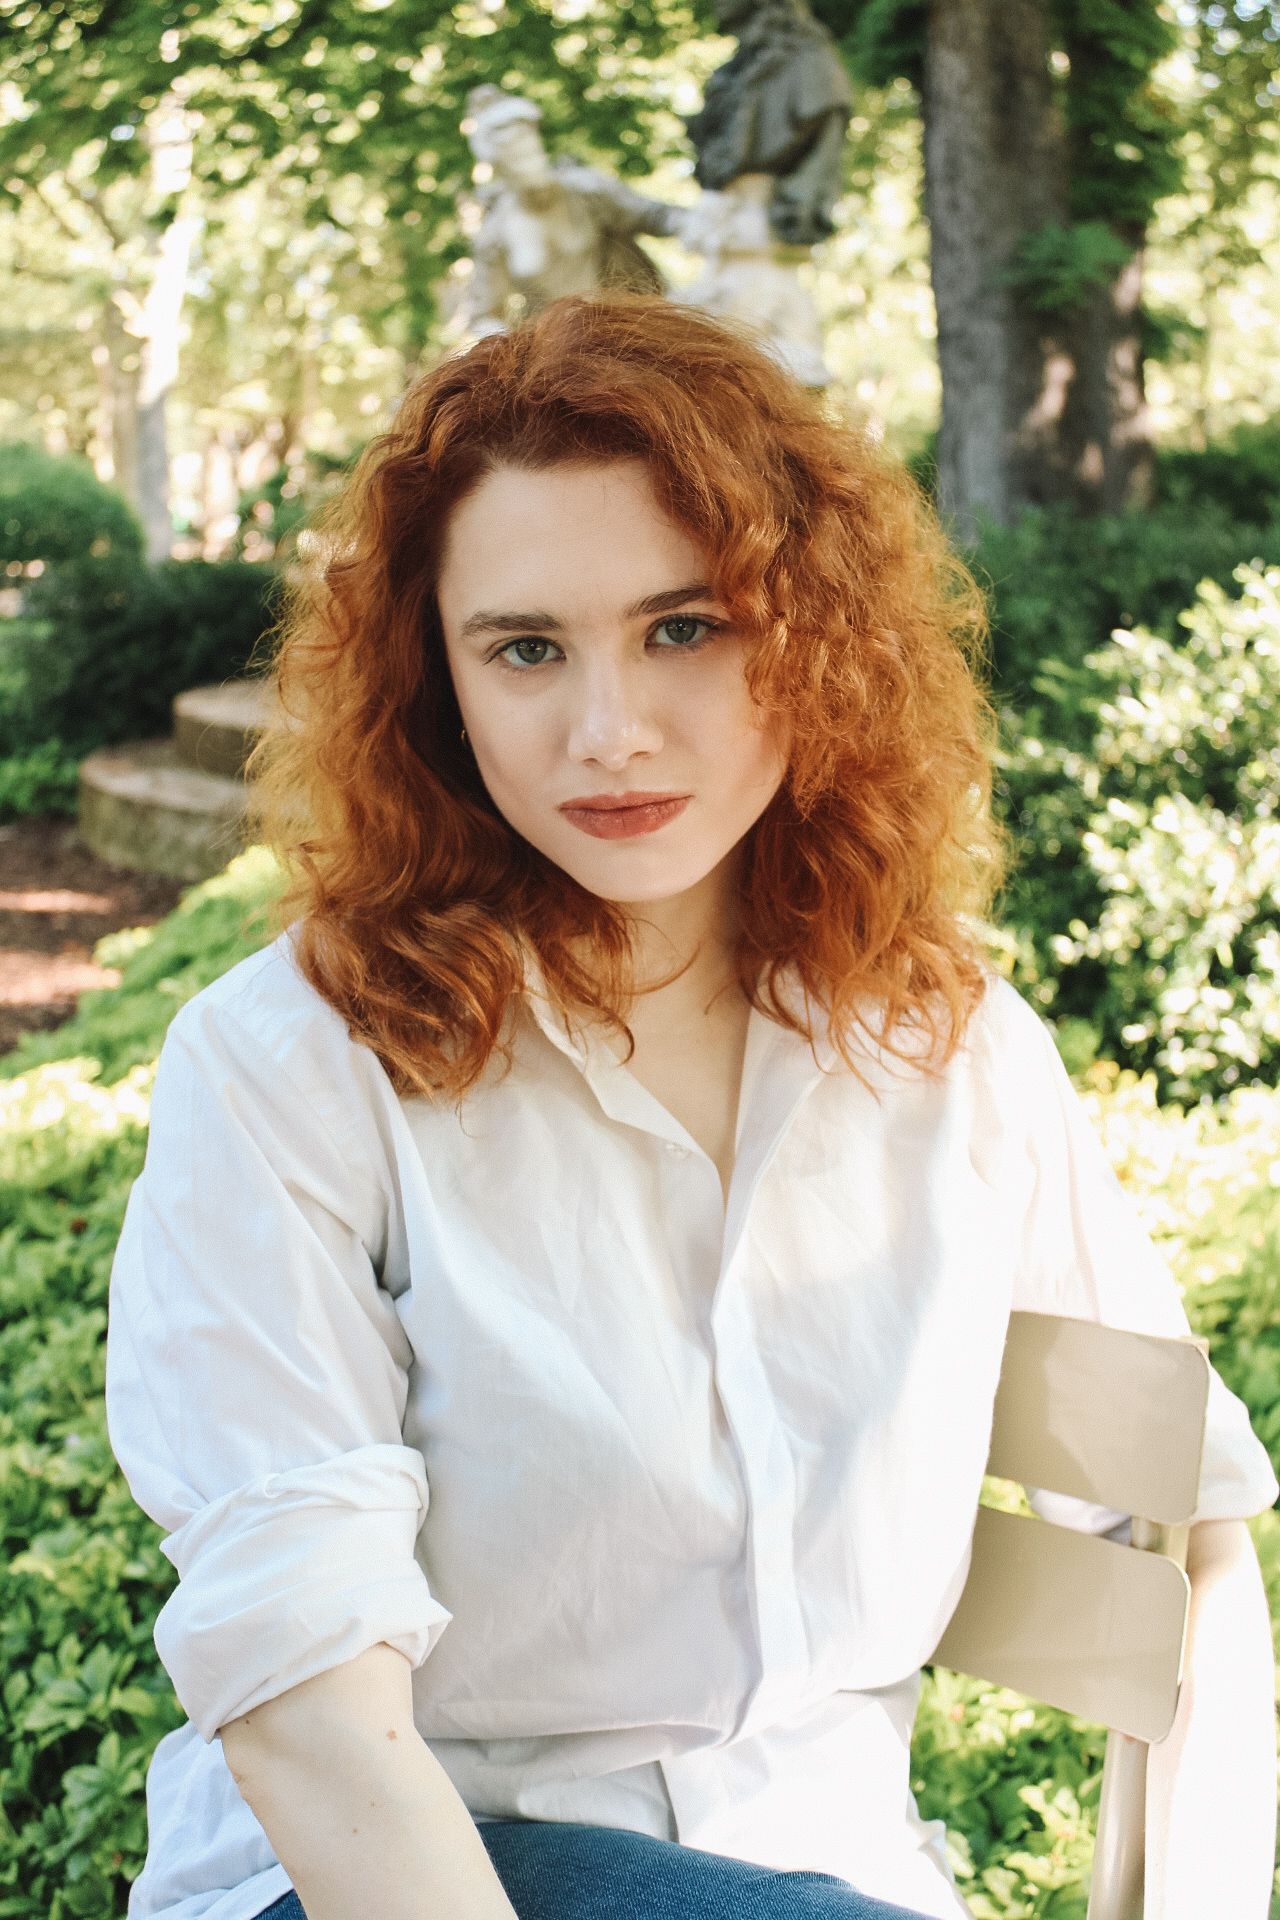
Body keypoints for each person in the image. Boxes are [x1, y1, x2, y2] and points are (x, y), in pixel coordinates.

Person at [104, 290, 1279, 1920]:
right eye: (526, 649)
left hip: (836, 1877)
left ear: (813, 635)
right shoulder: (293, 1068)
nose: (611, 733)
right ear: (439, 686)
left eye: (685, 628)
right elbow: (312, 1716)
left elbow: (1188, 1535)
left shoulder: (955, 1059)